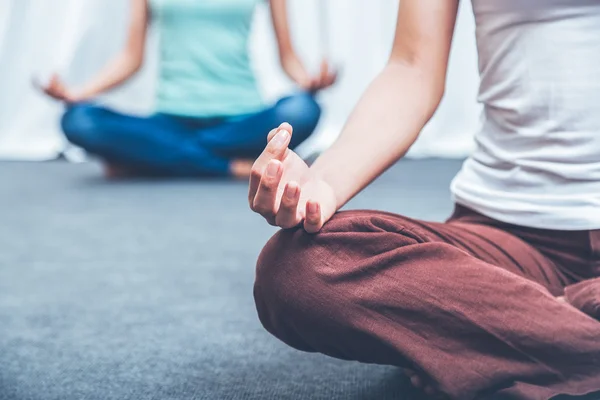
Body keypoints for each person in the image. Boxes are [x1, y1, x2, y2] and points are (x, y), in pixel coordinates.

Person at [248, 0, 600, 399]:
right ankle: (560, 328)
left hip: (511, 291)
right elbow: (413, 68)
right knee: (296, 272)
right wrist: (320, 185)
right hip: (506, 238)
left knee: (456, 332)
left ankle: (515, 345)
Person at [42, 0, 335, 178]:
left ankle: (151, 160)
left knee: (303, 109)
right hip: (170, 122)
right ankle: (228, 167)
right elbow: (130, 58)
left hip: (244, 122)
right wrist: (79, 93)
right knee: (78, 120)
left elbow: (288, 56)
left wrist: (307, 80)